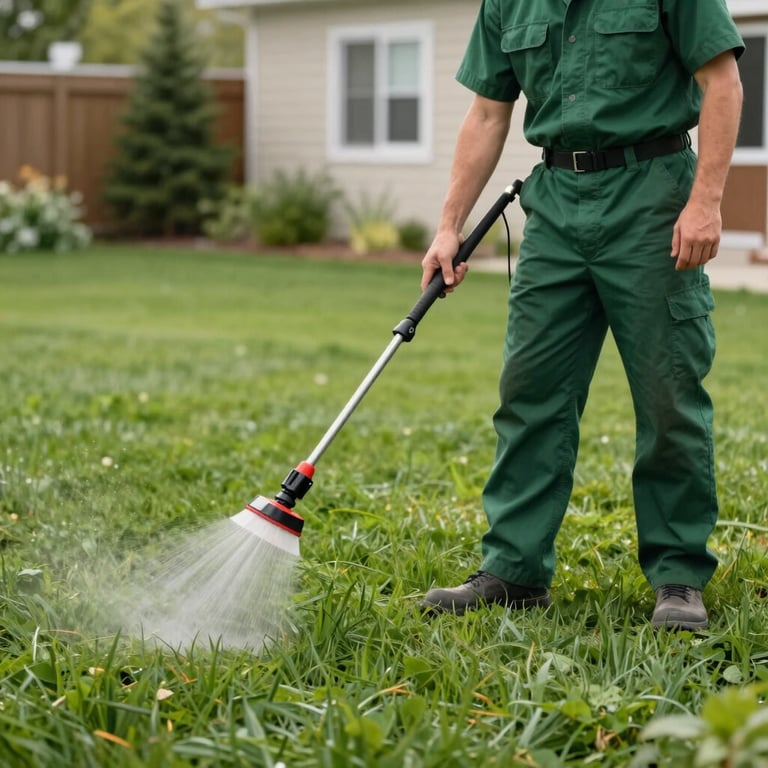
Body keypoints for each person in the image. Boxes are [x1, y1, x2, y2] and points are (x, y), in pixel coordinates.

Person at [420, 1, 744, 630]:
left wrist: (706, 200)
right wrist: (448, 227)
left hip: (651, 199)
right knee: (530, 391)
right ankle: (513, 570)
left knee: (667, 392)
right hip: (555, 206)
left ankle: (678, 574)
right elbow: (488, 112)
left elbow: (721, 82)